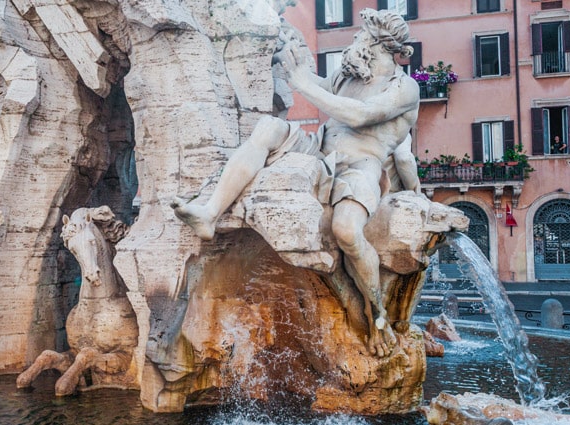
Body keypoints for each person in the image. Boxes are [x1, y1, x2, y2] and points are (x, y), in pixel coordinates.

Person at [172, 9, 420, 356]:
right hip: (318, 150)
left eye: (362, 34)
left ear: (378, 43)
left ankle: (376, 312)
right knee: (269, 128)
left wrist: (303, 84)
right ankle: (209, 214)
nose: (355, 38)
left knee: (347, 231)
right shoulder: (350, 77)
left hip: (361, 167)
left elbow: (359, 115)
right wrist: (287, 55)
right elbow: (316, 85)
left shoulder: (404, 88)